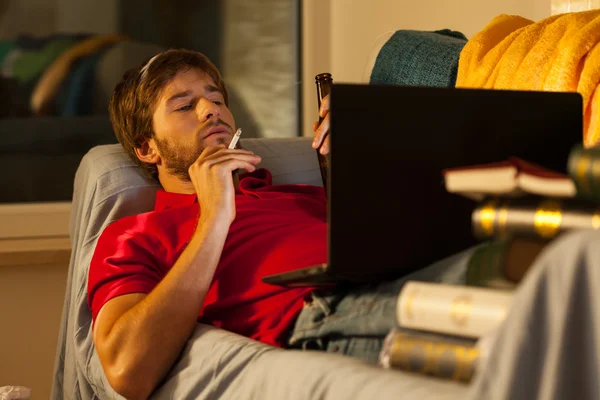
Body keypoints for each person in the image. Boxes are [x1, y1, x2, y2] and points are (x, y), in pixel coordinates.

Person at [88, 48, 469, 400]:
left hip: (412, 276)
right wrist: (214, 215)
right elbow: (128, 370)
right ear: (146, 147)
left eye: (217, 98)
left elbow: (419, 228)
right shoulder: (135, 235)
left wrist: (372, 146)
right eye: (185, 105)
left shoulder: (303, 195)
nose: (211, 110)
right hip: (337, 309)